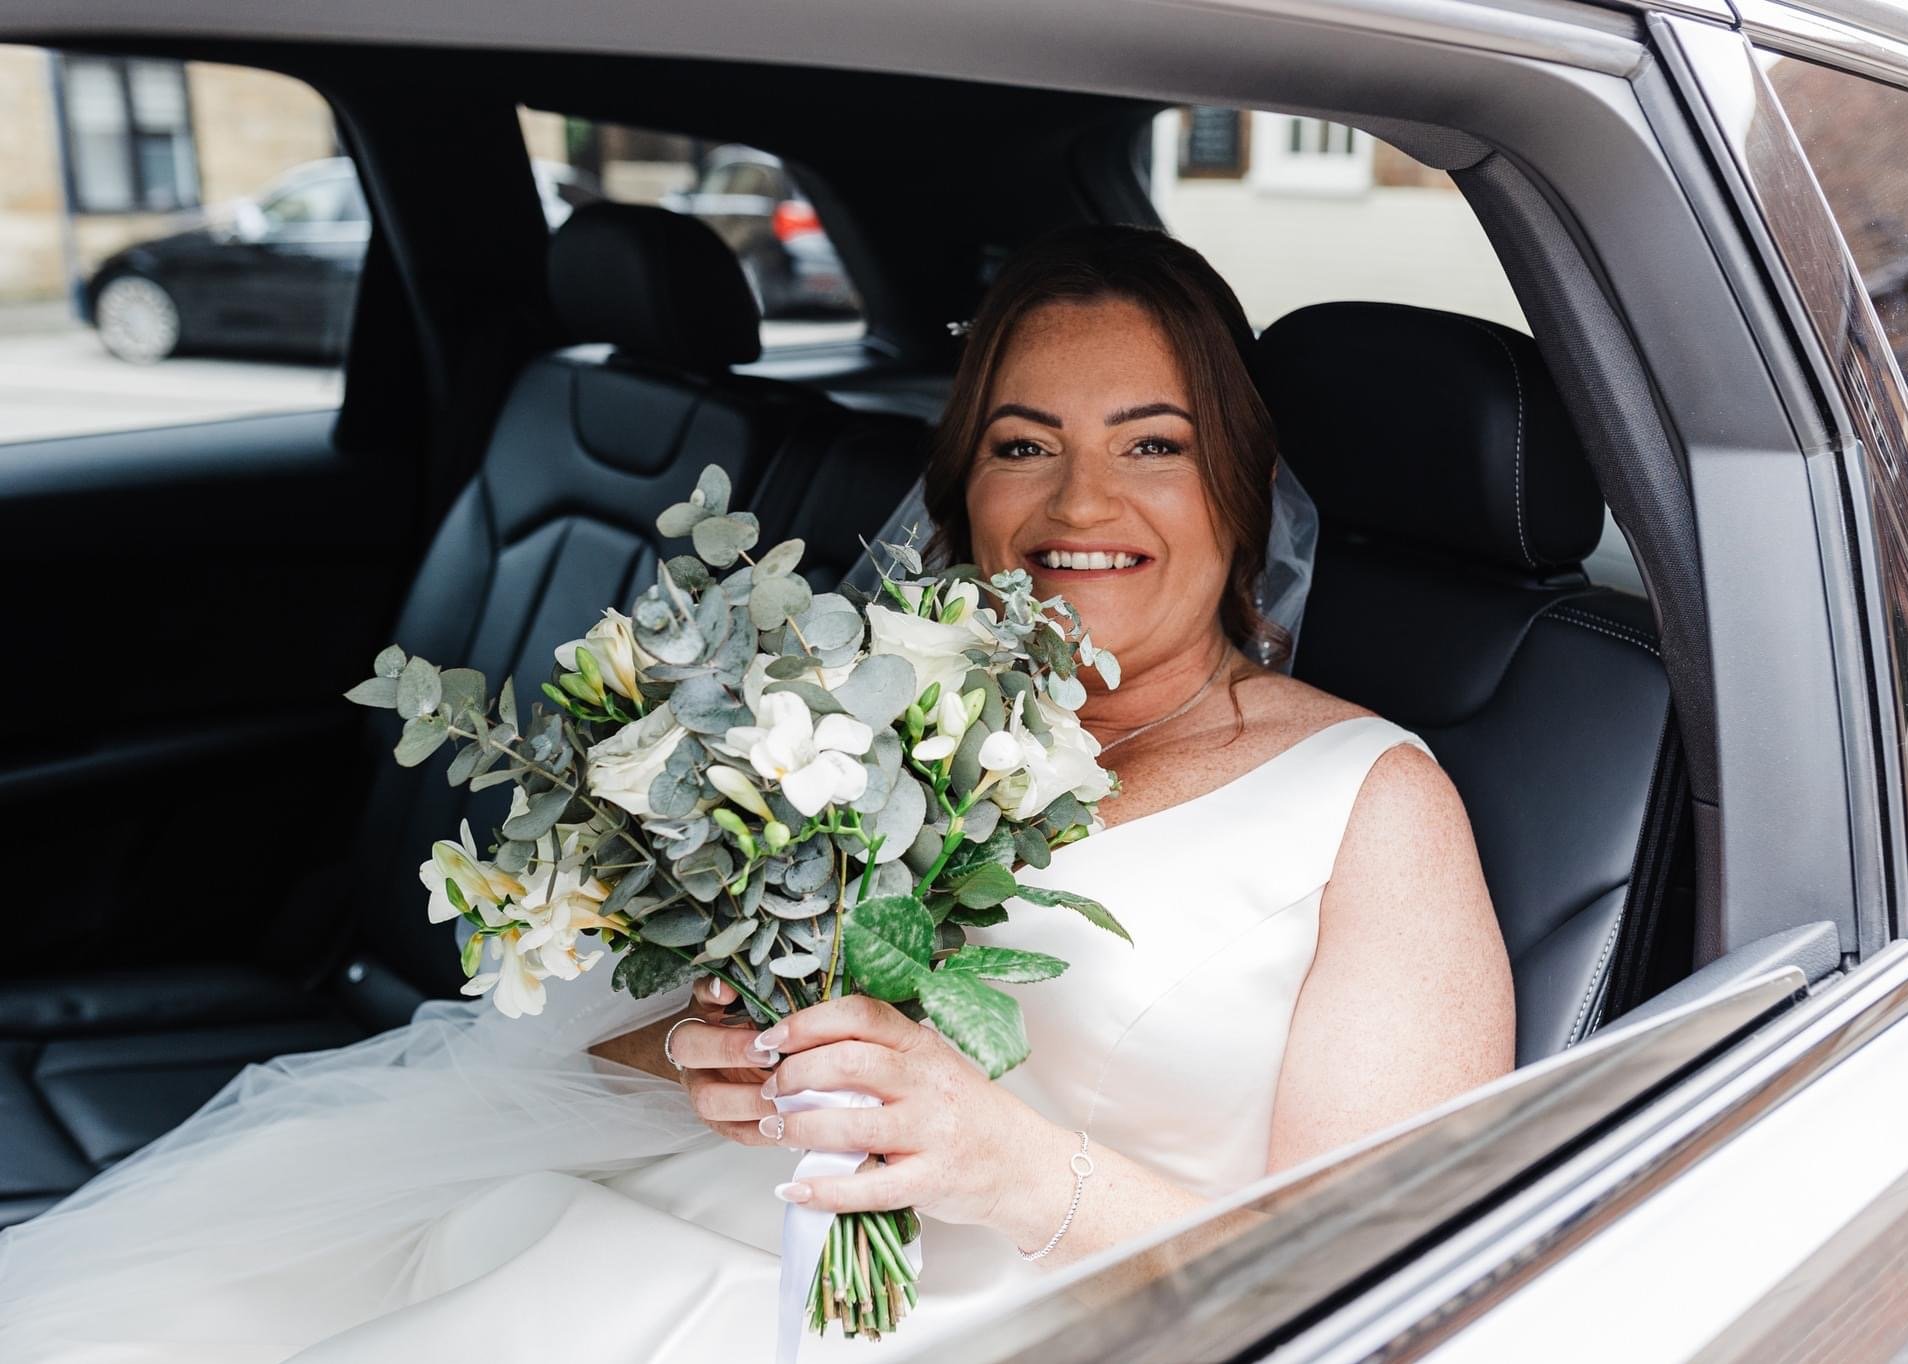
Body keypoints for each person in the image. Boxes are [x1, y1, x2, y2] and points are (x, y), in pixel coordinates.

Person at [0, 223, 1514, 1361]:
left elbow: (1389, 1286)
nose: (1078, 505)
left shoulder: (1369, 806)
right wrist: (714, 1056)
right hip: (643, 1241)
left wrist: (1003, 1162)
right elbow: (617, 1048)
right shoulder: (866, 708)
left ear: (1242, 488)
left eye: (1154, 446)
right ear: (964, 489)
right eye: (1022, 445)